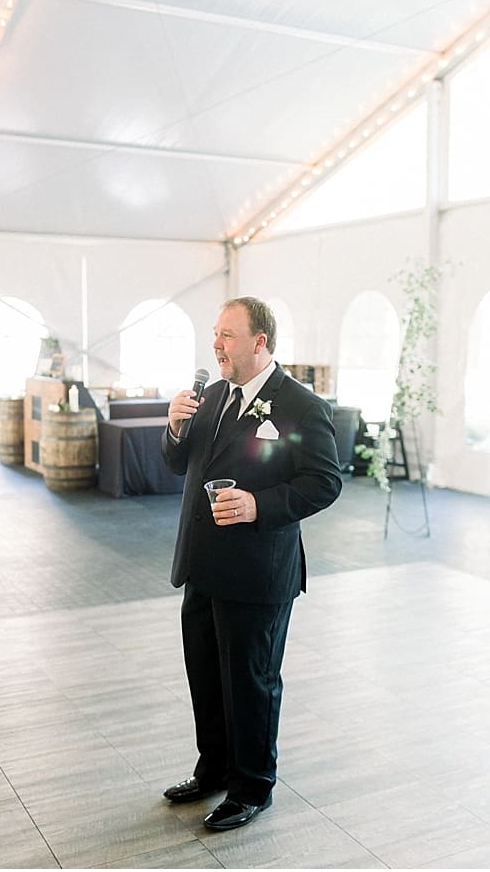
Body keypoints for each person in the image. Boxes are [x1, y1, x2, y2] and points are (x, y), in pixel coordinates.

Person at [161, 296, 343, 831]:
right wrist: (174, 427)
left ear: (259, 341)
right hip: (201, 563)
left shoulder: (302, 406)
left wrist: (260, 505)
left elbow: (324, 482)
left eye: (227, 335)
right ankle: (214, 769)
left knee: (251, 682)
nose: (215, 344)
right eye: (214, 333)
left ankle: (252, 787)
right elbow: (180, 463)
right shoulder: (212, 395)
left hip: (258, 569)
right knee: (208, 676)